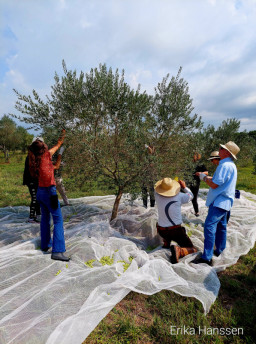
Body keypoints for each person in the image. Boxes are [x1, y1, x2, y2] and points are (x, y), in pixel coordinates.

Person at [192, 141, 240, 265]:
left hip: (219, 201)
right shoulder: (231, 165)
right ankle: (220, 250)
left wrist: (203, 178)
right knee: (221, 227)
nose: (219, 149)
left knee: (209, 226)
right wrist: (206, 177)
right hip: (226, 201)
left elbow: (214, 184)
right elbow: (218, 181)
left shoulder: (223, 166)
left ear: (227, 152)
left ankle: (206, 257)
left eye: (221, 148)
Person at [28, 129, 70, 262]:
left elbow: (55, 163)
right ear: (43, 149)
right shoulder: (46, 156)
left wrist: (59, 150)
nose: (46, 146)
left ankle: (45, 245)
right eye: (44, 145)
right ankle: (57, 251)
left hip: (40, 192)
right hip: (49, 192)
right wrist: (62, 134)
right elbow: (57, 145)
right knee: (58, 220)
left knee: (45, 218)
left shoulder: (34, 159)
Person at [154, 177, 197, 263]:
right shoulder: (180, 196)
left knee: (160, 223)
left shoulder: (157, 195)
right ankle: (179, 251)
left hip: (162, 231)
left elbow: (156, 188)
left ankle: (166, 242)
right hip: (176, 231)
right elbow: (191, 196)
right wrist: (184, 187)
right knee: (193, 249)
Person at [23, 137, 43, 223]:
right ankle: (31, 217)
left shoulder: (35, 156)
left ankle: (38, 214)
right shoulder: (31, 157)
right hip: (31, 181)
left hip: (34, 180)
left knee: (38, 197)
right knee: (34, 198)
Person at [186, 152, 208, 217]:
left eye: (193, 155)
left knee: (194, 198)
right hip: (187, 182)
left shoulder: (200, 164)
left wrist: (200, 173)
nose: (192, 157)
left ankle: (196, 212)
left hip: (196, 182)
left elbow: (206, 172)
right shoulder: (188, 163)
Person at [141, 144, 155, 208]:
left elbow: (151, 152)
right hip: (144, 175)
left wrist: (147, 147)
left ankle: (152, 206)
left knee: (151, 191)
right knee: (144, 191)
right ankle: (145, 206)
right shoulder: (144, 157)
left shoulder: (152, 156)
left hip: (150, 176)